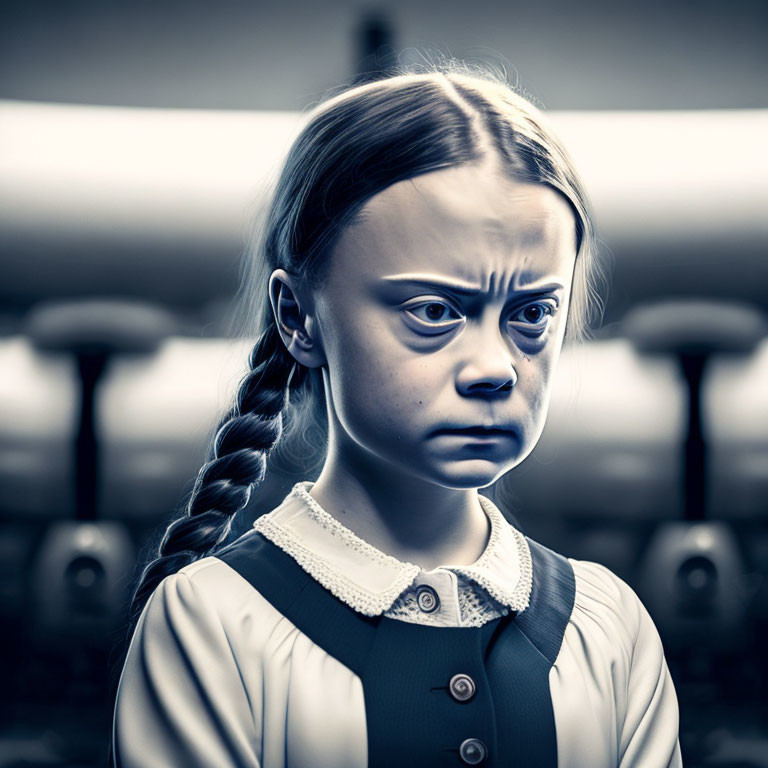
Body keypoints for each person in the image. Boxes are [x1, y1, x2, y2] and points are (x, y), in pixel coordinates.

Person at [111, 62, 682, 768]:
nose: (495, 368)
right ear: (299, 317)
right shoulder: (212, 624)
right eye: (434, 312)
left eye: (532, 313)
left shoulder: (611, 628)